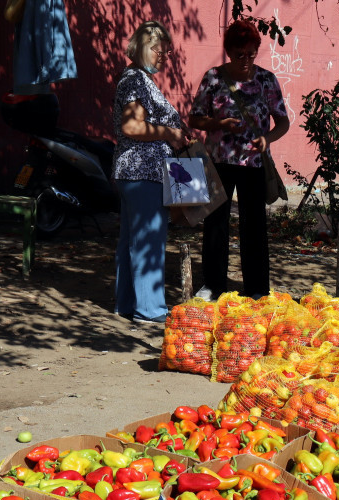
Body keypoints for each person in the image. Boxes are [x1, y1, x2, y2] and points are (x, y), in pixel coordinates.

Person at [188, 20, 290, 301]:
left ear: (257, 49)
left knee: (254, 226)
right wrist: (218, 123)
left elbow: (283, 122)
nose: (245, 60)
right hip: (219, 161)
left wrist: (267, 139)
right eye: (239, 54)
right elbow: (195, 118)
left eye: (251, 52)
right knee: (215, 224)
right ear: (229, 52)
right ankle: (213, 285)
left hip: (254, 165)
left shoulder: (267, 80)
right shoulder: (214, 78)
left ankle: (257, 288)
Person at [112, 21, 187, 323]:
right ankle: (150, 310)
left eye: (166, 51)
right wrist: (170, 133)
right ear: (144, 47)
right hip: (141, 170)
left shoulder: (138, 78)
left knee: (133, 240)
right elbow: (131, 126)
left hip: (137, 171)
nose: (163, 56)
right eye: (159, 50)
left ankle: (127, 304)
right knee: (148, 242)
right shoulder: (135, 79)